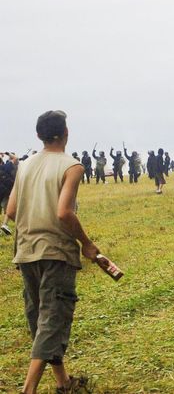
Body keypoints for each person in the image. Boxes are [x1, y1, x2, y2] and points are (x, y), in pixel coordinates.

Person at [6, 110, 99, 394]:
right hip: (56, 252)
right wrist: (87, 243)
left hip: (25, 252)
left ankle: (63, 383)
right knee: (53, 319)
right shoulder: (72, 167)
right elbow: (63, 213)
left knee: (40, 320)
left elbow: (10, 210)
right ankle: (28, 389)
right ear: (66, 133)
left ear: (38, 136)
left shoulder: (25, 165)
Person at [1, 153, 19, 236]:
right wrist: (7, 153)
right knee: (9, 209)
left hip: (2, 192)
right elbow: (16, 158)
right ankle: (5, 224)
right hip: (7, 191)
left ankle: (5, 225)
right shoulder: (6, 167)